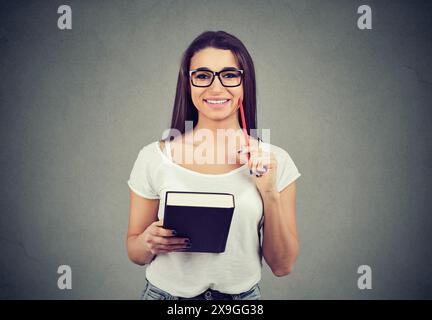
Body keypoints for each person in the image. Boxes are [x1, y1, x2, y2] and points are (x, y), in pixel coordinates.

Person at [126, 30, 301, 300]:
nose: (216, 88)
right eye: (203, 75)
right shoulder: (153, 157)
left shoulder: (275, 161)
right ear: (188, 84)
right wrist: (148, 241)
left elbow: (282, 266)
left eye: (230, 75)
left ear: (245, 84)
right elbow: (135, 253)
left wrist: (269, 192)